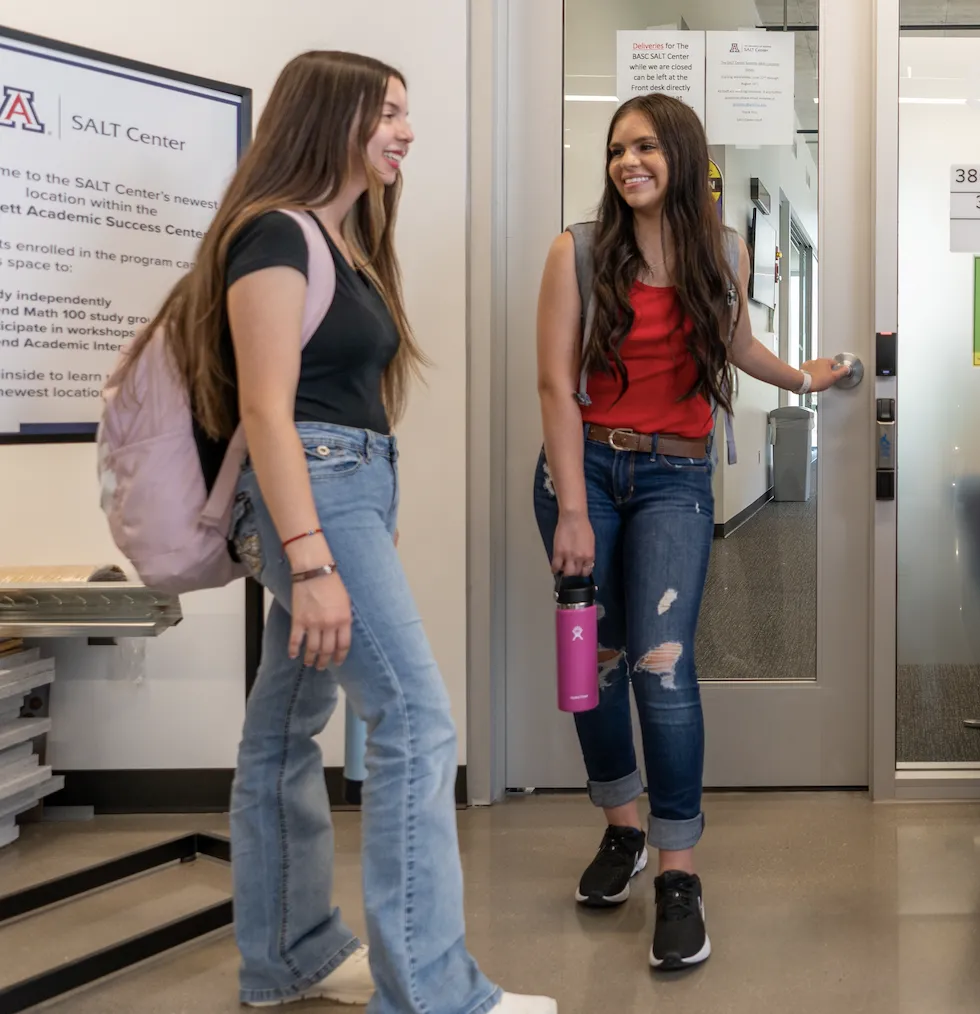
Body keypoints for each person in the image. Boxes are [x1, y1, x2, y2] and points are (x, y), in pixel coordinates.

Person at [125, 52, 555, 1012]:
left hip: (346, 489)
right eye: (388, 113)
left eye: (408, 112)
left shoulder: (338, 237)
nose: (406, 130)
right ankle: (434, 994)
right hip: (315, 496)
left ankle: (288, 959)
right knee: (417, 721)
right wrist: (315, 561)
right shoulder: (274, 237)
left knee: (285, 727)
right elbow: (271, 414)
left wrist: (354, 527)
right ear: (332, 118)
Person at [531, 93, 846, 970]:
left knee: (661, 667)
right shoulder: (580, 250)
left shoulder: (725, 252)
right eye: (615, 148)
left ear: (679, 152)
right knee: (594, 662)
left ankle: (678, 873)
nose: (627, 161)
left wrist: (803, 378)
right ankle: (621, 830)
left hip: (674, 475)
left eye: (644, 146)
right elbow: (556, 386)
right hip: (583, 471)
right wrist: (567, 508)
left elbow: (736, 343)